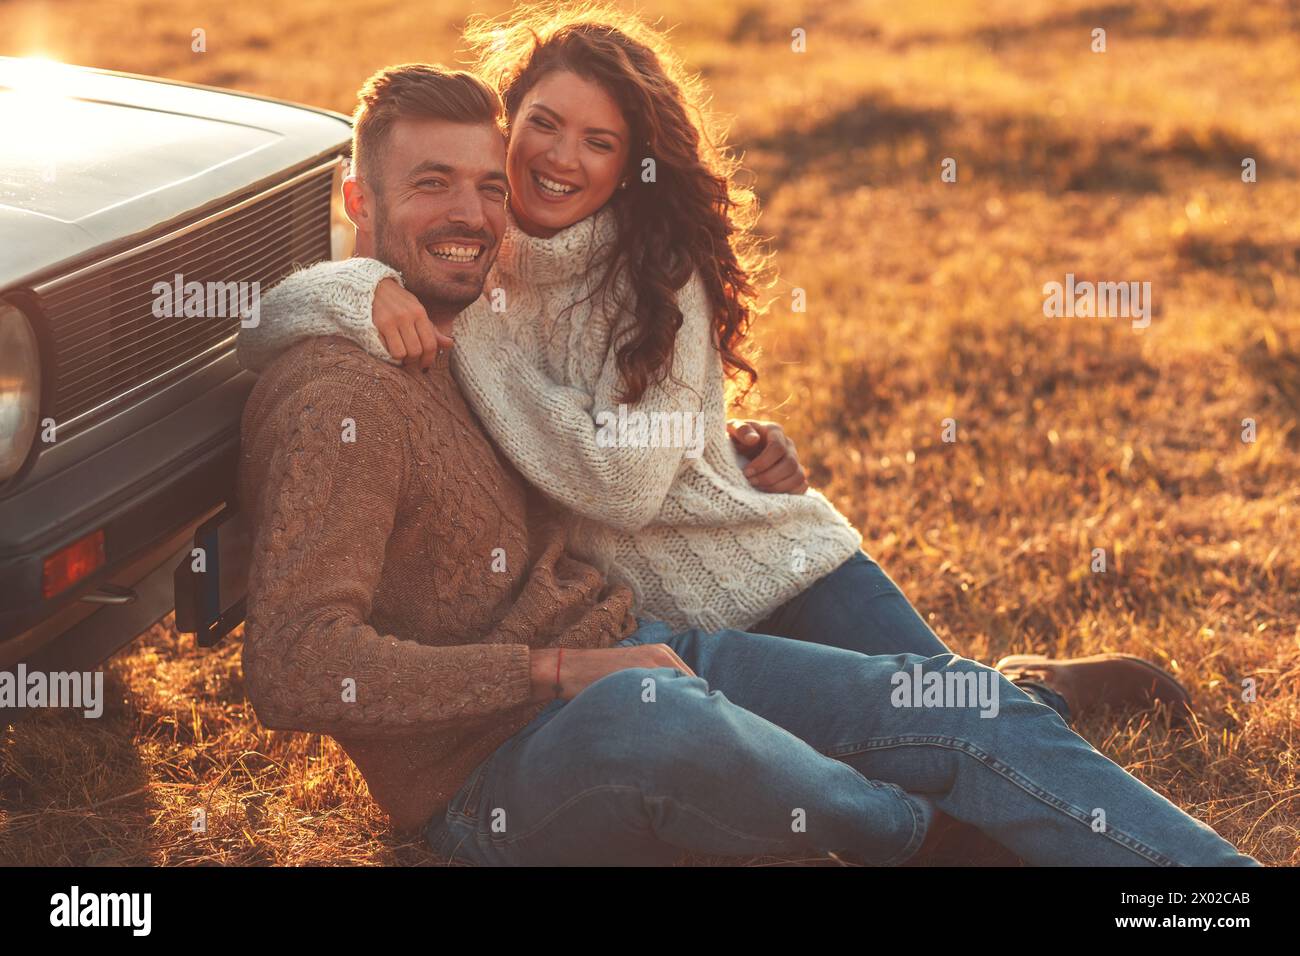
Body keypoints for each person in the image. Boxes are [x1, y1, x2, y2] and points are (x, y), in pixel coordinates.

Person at [237, 62, 1258, 866]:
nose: (469, 215)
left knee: (959, 704)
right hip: (500, 764)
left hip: (650, 640)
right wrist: (554, 669)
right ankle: (915, 832)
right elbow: (292, 666)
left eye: (482, 185)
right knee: (664, 717)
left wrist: (715, 445)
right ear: (355, 203)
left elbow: (592, 426)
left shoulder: (463, 316)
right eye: (430, 185)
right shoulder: (342, 394)